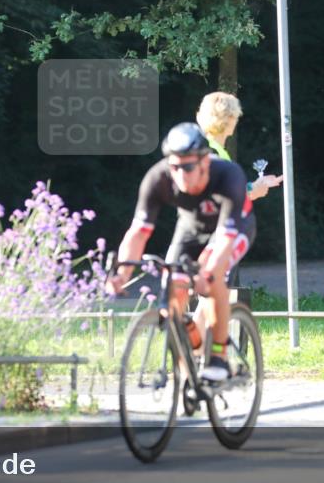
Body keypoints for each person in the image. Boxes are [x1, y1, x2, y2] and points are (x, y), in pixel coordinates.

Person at [106, 122, 257, 381]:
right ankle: (190, 365)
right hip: (190, 229)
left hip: (233, 229)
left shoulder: (228, 175)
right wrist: (123, 273)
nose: (180, 174)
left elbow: (225, 238)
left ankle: (219, 356)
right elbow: (138, 233)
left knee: (212, 278)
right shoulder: (158, 178)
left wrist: (207, 272)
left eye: (187, 167)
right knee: (172, 291)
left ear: (204, 162)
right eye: (174, 167)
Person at [196, 92, 284, 201]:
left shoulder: (213, 149)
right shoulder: (212, 153)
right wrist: (253, 190)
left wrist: (256, 185)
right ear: (229, 118)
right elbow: (221, 197)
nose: (237, 119)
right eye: (235, 116)